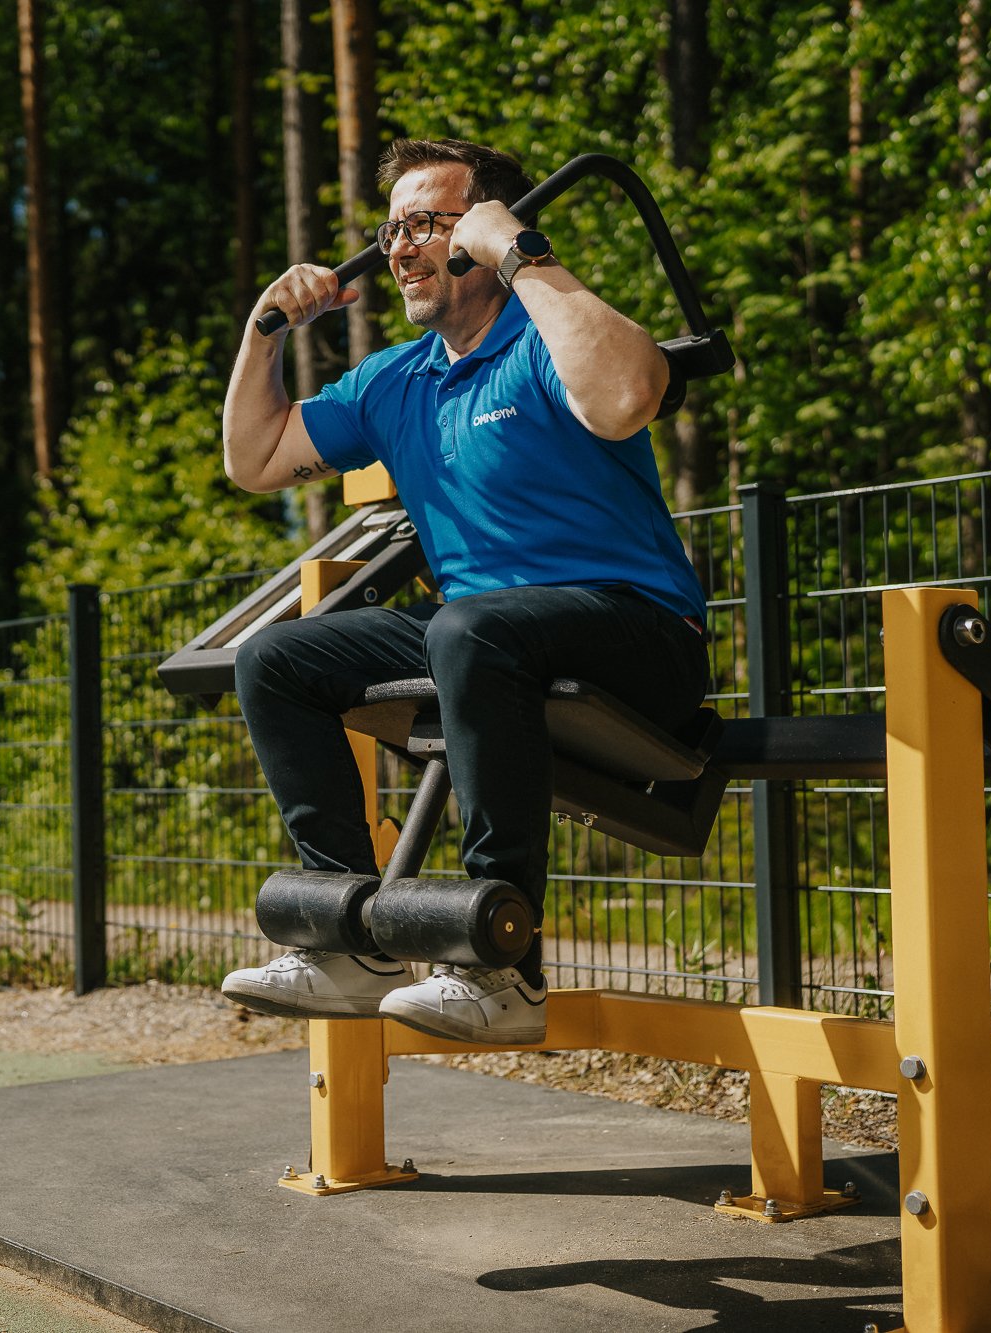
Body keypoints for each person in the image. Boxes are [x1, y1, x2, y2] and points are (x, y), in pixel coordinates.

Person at [217, 139, 711, 1045]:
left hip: (639, 635)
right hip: (484, 637)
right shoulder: (398, 380)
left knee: (469, 629)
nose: (400, 246)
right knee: (276, 656)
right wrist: (265, 329)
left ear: (483, 234)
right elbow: (253, 459)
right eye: (391, 227)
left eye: (427, 224)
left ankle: (502, 965)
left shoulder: (547, 333)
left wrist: (522, 251)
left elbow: (628, 395)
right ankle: (343, 942)